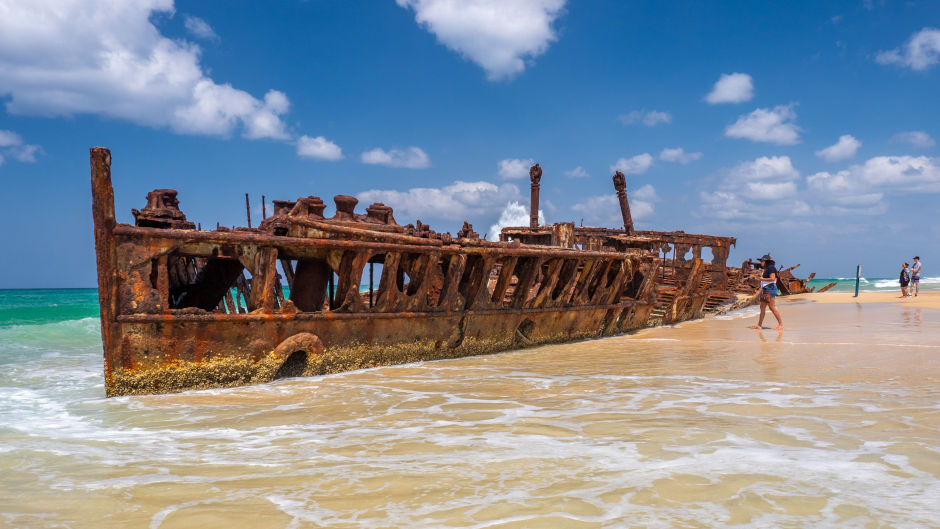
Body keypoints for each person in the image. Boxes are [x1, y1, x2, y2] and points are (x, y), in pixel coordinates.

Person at [751, 253, 783, 331]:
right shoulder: (768, 268)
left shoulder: (771, 268)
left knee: (772, 307)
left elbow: (772, 278)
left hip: (770, 289)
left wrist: (761, 279)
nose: (761, 262)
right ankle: (759, 325)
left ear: (766, 261)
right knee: (762, 307)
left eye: (762, 261)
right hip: (766, 289)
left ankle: (781, 324)